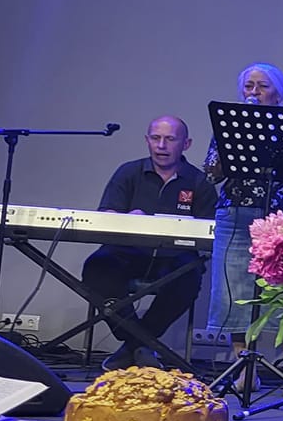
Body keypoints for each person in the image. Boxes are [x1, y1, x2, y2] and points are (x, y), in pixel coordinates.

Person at [84, 116, 218, 371]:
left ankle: (132, 346)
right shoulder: (128, 172)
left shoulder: (199, 182)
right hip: (127, 253)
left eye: (170, 139)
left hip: (175, 258)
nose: (161, 146)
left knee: (189, 276)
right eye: (155, 138)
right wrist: (127, 219)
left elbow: (208, 231)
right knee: (97, 266)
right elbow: (106, 215)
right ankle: (140, 343)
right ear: (147, 140)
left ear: (186, 144)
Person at [202, 62, 283, 375]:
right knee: (235, 293)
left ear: (278, 94)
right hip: (236, 214)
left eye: (262, 86)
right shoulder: (228, 125)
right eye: (249, 86)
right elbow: (211, 174)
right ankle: (244, 371)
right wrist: (231, 137)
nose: (254, 92)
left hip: (282, 217)